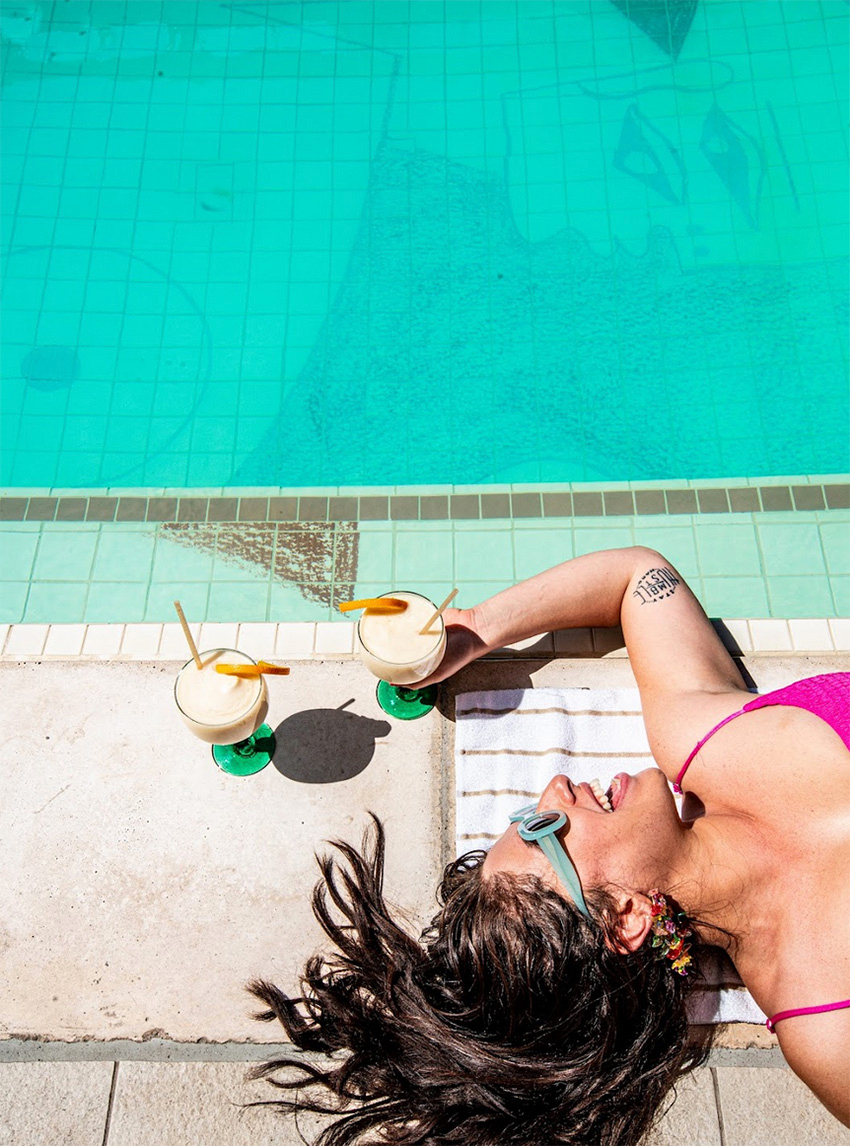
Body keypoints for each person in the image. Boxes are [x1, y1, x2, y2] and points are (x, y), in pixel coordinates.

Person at [248, 547, 850, 1140]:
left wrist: (478, 630)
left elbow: (637, 576)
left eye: (528, 812)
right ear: (625, 918)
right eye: (543, 829)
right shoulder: (828, 1032)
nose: (553, 788)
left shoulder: (697, 735)